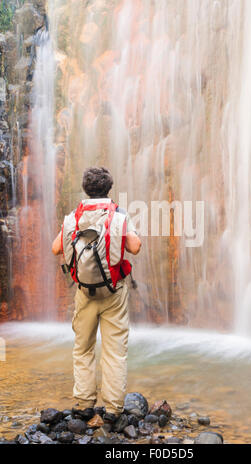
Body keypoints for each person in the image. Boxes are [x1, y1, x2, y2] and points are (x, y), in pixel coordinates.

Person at [52, 167, 141, 423]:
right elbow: (134, 247)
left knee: (83, 349)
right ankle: (113, 410)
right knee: (114, 352)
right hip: (114, 291)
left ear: (85, 189)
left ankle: (84, 404)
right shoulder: (118, 215)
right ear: (109, 188)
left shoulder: (73, 217)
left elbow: (56, 247)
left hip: (84, 292)